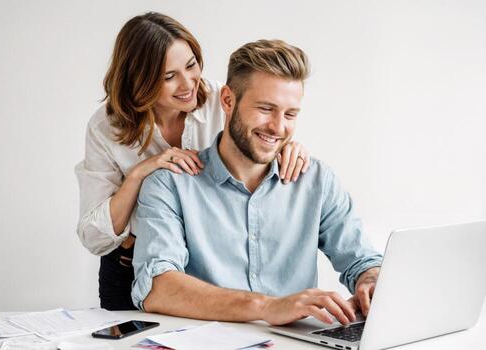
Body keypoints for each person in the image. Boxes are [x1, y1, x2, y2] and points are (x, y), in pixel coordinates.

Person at [131, 39, 383, 325]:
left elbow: (362, 260)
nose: (278, 127)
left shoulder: (316, 181)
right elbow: (156, 287)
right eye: (266, 109)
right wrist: (266, 307)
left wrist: (370, 282)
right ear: (227, 100)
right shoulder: (170, 185)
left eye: (290, 114)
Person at [75, 13, 311, 311]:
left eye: (191, 65)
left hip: (206, 268)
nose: (188, 84)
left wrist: (290, 147)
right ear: (139, 80)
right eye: (168, 76)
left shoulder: (219, 100)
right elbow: (93, 237)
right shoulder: (107, 127)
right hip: (132, 265)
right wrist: (138, 175)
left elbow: (263, 132)